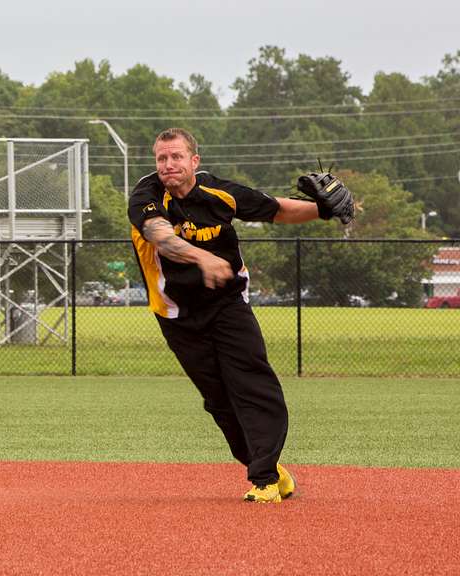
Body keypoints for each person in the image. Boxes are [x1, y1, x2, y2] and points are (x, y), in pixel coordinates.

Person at [128, 128, 344, 503]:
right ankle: (270, 470)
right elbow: (158, 234)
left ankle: (263, 478)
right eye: (162, 158)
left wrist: (323, 210)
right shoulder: (146, 196)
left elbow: (276, 209)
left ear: (194, 161)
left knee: (251, 382)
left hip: (227, 303)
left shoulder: (218, 193)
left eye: (176, 156)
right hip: (177, 313)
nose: (168, 165)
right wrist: (201, 256)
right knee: (217, 399)